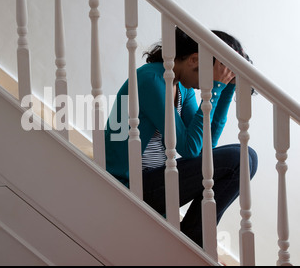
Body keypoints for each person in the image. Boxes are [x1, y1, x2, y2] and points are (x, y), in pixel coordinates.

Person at [104, 27, 258, 247]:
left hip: (152, 181)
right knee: (239, 158)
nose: (206, 86)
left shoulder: (181, 88)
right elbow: (189, 148)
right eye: (212, 77)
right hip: (128, 185)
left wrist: (225, 92)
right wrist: (215, 89)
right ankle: (194, 239)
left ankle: (194, 238)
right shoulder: (151, 80)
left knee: (247, 158)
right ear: (194, 60)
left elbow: (205, 148)